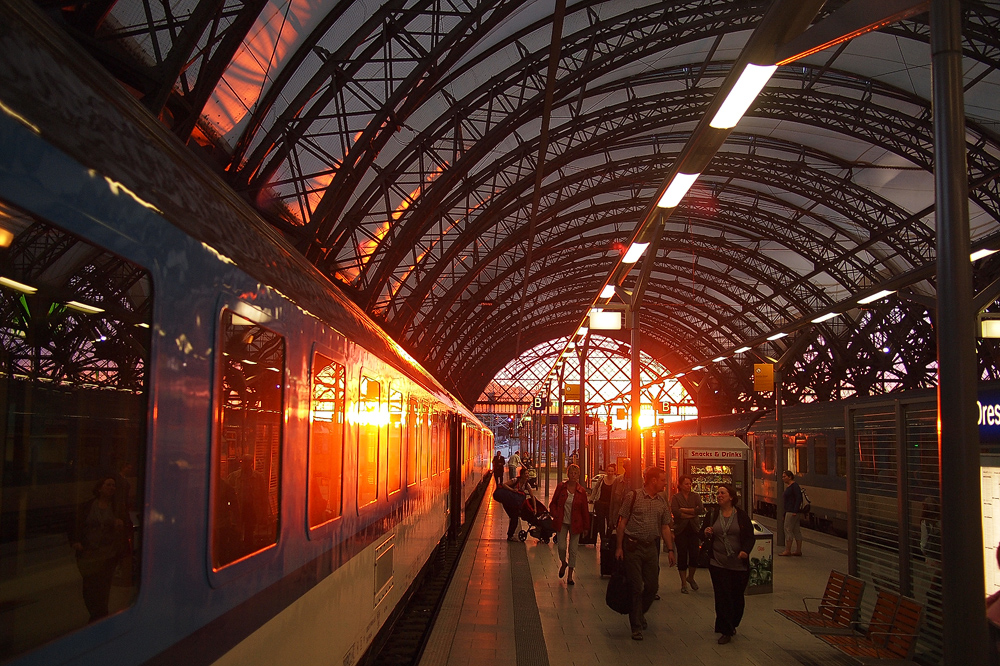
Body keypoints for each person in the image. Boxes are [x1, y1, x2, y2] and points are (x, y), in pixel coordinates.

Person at [615, 466, 676, 641]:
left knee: (652, 586)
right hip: (633, 546)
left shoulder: (661, 501)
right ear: (653, 480)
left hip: (651, 548)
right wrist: (619, 547)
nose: (665, 483)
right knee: (636, 586)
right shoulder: (633, 497)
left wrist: (670, 550)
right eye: (663, 480)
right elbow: (622, 523)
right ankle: (636, 626)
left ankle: (640, 612)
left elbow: (665, 526)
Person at [701, 484, 755, 644]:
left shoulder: (741, 516)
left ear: (731, 497)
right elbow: (702, 532)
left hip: (738, 564)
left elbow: (750, 537)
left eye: (722, 493)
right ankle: (726, 629)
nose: (719, 495)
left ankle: (733, 622)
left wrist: (745, 550)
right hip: (717, 562)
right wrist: (705, 533)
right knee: (722, 596)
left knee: (736, 597)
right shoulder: (712, 514)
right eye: (717, 493)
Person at [70, 476, 128, 622]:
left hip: (108, 554)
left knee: (103, 587)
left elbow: (128, 526)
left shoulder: (118, 507)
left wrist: (121, 525)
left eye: (113, 485)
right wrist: (76, 541)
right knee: (89, 587)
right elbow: (75, 524)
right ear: (99, 488)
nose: (112, 488)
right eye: (108, 485)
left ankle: (99, 616)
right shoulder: (87, 506)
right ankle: (96, 613)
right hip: (88, 554)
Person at [549, 463, 591, 586]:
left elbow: (584, 509)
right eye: (571, 473)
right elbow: (553, 503)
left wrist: (586, 527)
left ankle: (570, 576)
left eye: (575, 473)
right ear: (568, 474)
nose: (573, 476)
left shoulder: (581, 491)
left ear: (578, 476)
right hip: (562, 521)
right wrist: (555, 514)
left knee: (573, 549)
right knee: (561, 546)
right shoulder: (561, 487)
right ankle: (563, 562)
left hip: (576, 523)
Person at [670, 474, 705, 593]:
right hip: (681, 530)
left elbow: (700, 510)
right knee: (682, 555)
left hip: (693, 529)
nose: (689, 486)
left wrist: (684, 510)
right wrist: (691, 512)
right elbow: (676, 512)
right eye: (686, 484)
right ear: (680, 485)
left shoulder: (695, 496)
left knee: (694, 554)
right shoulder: (676, 497)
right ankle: (683, 582)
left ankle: (691, 577)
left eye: (690, 484)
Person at [502, 466, 534, 541]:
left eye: (528, 474)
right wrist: (512, 490)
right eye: (526, 473)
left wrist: (535, 508)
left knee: (514, 517)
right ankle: (510, 536)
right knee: (514, 517)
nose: (527, 475)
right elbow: (504, 485)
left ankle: (510, 535)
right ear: (522, 475)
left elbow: (532, 496)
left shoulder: (526, 484)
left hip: (514, 503)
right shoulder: (515, 480)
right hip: (507, 502)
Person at [591, 462, 618, 542]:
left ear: (614, 472)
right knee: (600, 521)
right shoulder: (602, 479)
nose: (610, 473)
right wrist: (592, 499)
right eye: (609, 471)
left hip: (611, 505)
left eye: (612, 471)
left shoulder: (616, 481)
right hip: (600, 503)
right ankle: (603, 537)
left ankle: (608, 537)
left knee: (611, 521)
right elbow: (596, 489)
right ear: (606, 471)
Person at [779, 470, 803, 556]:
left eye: (784, 476)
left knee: (788, 529)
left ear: (790, 477)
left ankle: (787, 550)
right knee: (796, 531)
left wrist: (795, 511)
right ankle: (798, 550)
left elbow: (798, 498)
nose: (783, 478)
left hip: (791, 511)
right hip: (790, 511)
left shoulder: (794, 486)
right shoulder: (791, 486)